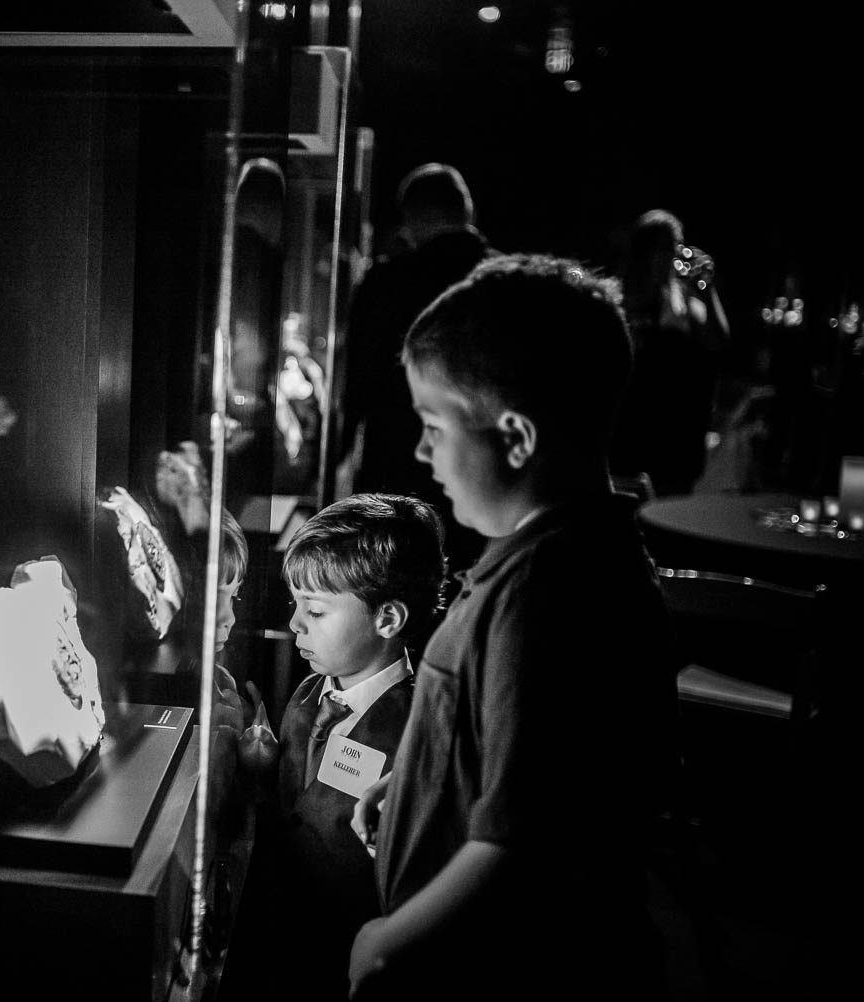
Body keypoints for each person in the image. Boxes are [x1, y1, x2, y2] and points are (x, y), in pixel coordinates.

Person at [346, 254, 679, 1000]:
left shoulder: (547, 592)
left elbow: (523, 842)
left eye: (433, 425)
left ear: (517, 438)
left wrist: (382, 944)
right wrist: (414, 781)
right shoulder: (552, 561)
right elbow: (530, 754)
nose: (420, 451)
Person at [228, 493, 448, 1001]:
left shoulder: (419, 730)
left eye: (317, 611)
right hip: (283, 940)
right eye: (295, 605)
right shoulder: (309, 693)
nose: (295, 625)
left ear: (387, 620)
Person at [340, 163, 498, 574]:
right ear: (467, 213)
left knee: (394, 580)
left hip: (396, 465)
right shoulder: (504, 284)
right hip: (483, 473)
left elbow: (358, 381)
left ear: (413, 218)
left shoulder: (389, 281)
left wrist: (332, 454)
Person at [610, 208, 731, 497]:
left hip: (677, 436)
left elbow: (718, 341)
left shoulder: (686, 301)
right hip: (631, 432)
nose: (672, 256)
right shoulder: (620, 298)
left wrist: (708, 290)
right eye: (664, 247)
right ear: (644, 251)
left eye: (676, 247)